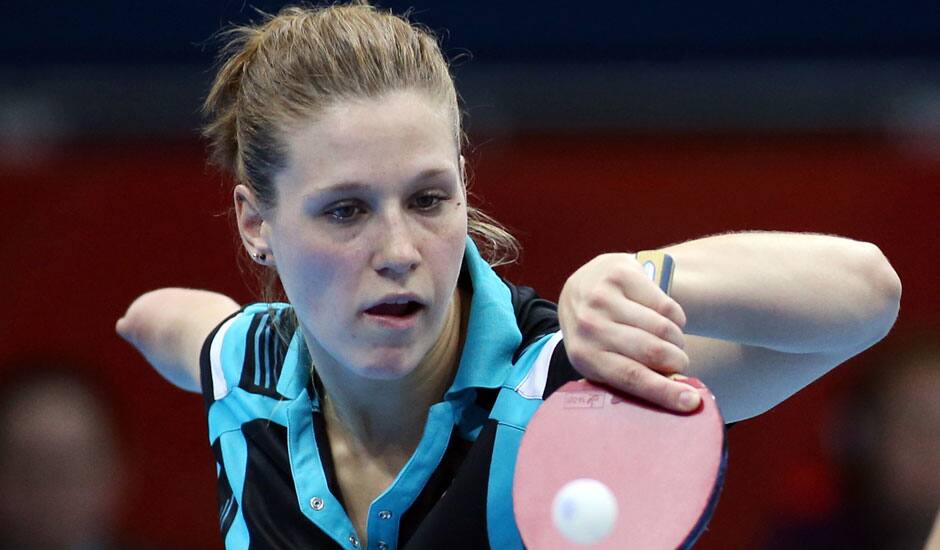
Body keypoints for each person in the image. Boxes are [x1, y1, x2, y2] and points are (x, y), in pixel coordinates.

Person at [115, 3, 902, 548]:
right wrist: (158, 323)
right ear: (257, 223)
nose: (398, 247)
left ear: (463, 186)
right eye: (345, 211)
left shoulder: (576, 388)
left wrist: (647, 275)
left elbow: (866, 295)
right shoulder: (247, 369)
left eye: (428, 199)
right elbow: (162, 320)